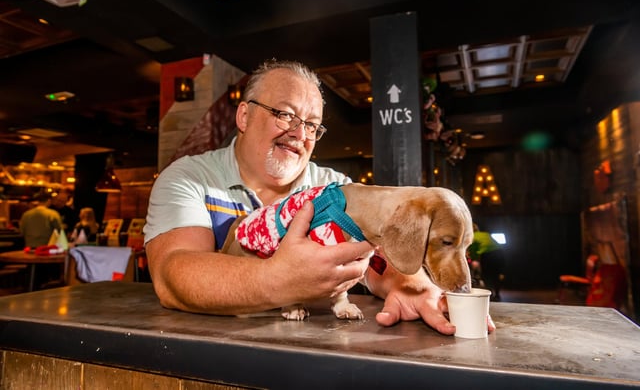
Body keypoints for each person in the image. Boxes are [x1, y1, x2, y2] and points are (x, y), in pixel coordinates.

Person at [144, 59, 494, 335]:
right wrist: (279, 279)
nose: (299, 134)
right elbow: (174, 277)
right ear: (244, 115)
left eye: (312, 125)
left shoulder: (336, 189)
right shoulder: (189, 178)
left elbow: (380, 262)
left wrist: (411, 286)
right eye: (284, 114)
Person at [468, 223, 506, 301]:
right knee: (496, 275)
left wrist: (472, 260)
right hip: (500, 253)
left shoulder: (472, 237)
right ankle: (497, 294)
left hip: (488, 255)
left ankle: (490, 295)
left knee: (487, 275)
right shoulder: (486, 234)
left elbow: (473, 253)